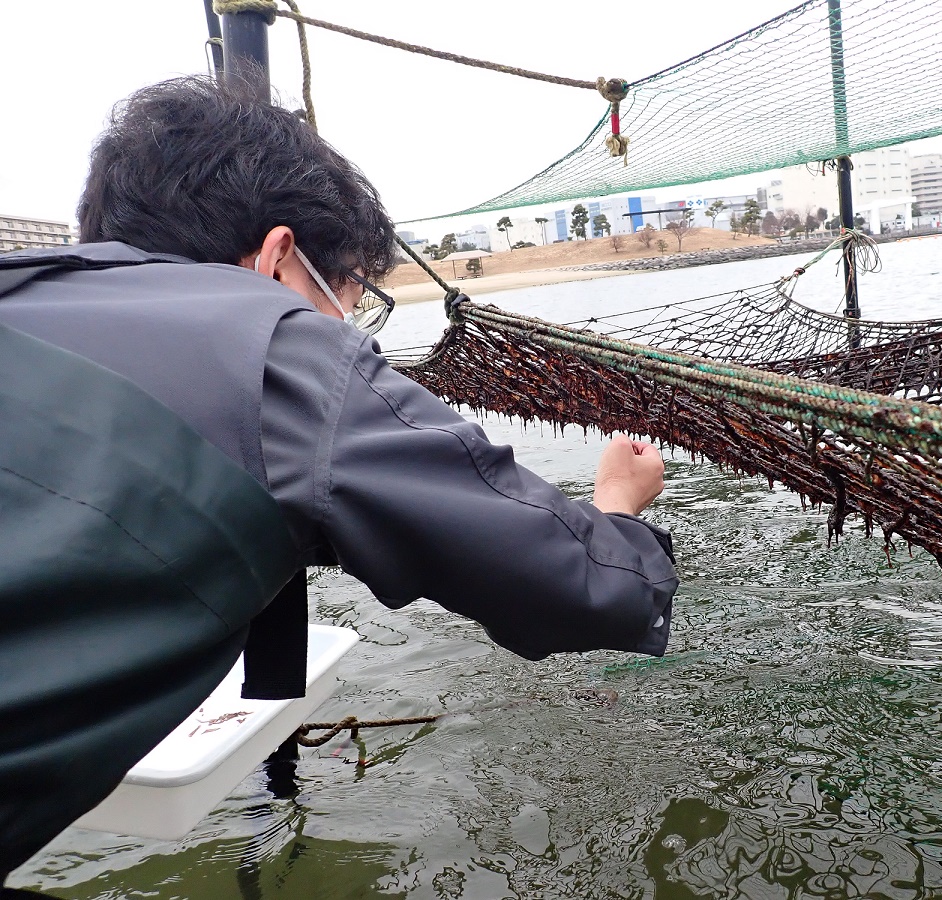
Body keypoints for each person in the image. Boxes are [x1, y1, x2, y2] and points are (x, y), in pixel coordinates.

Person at [0, 75, 677, 883]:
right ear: (280, 258)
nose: (350, 324)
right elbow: (589, 586)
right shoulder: (279, 354)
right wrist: (616, 506)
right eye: (354, 294)